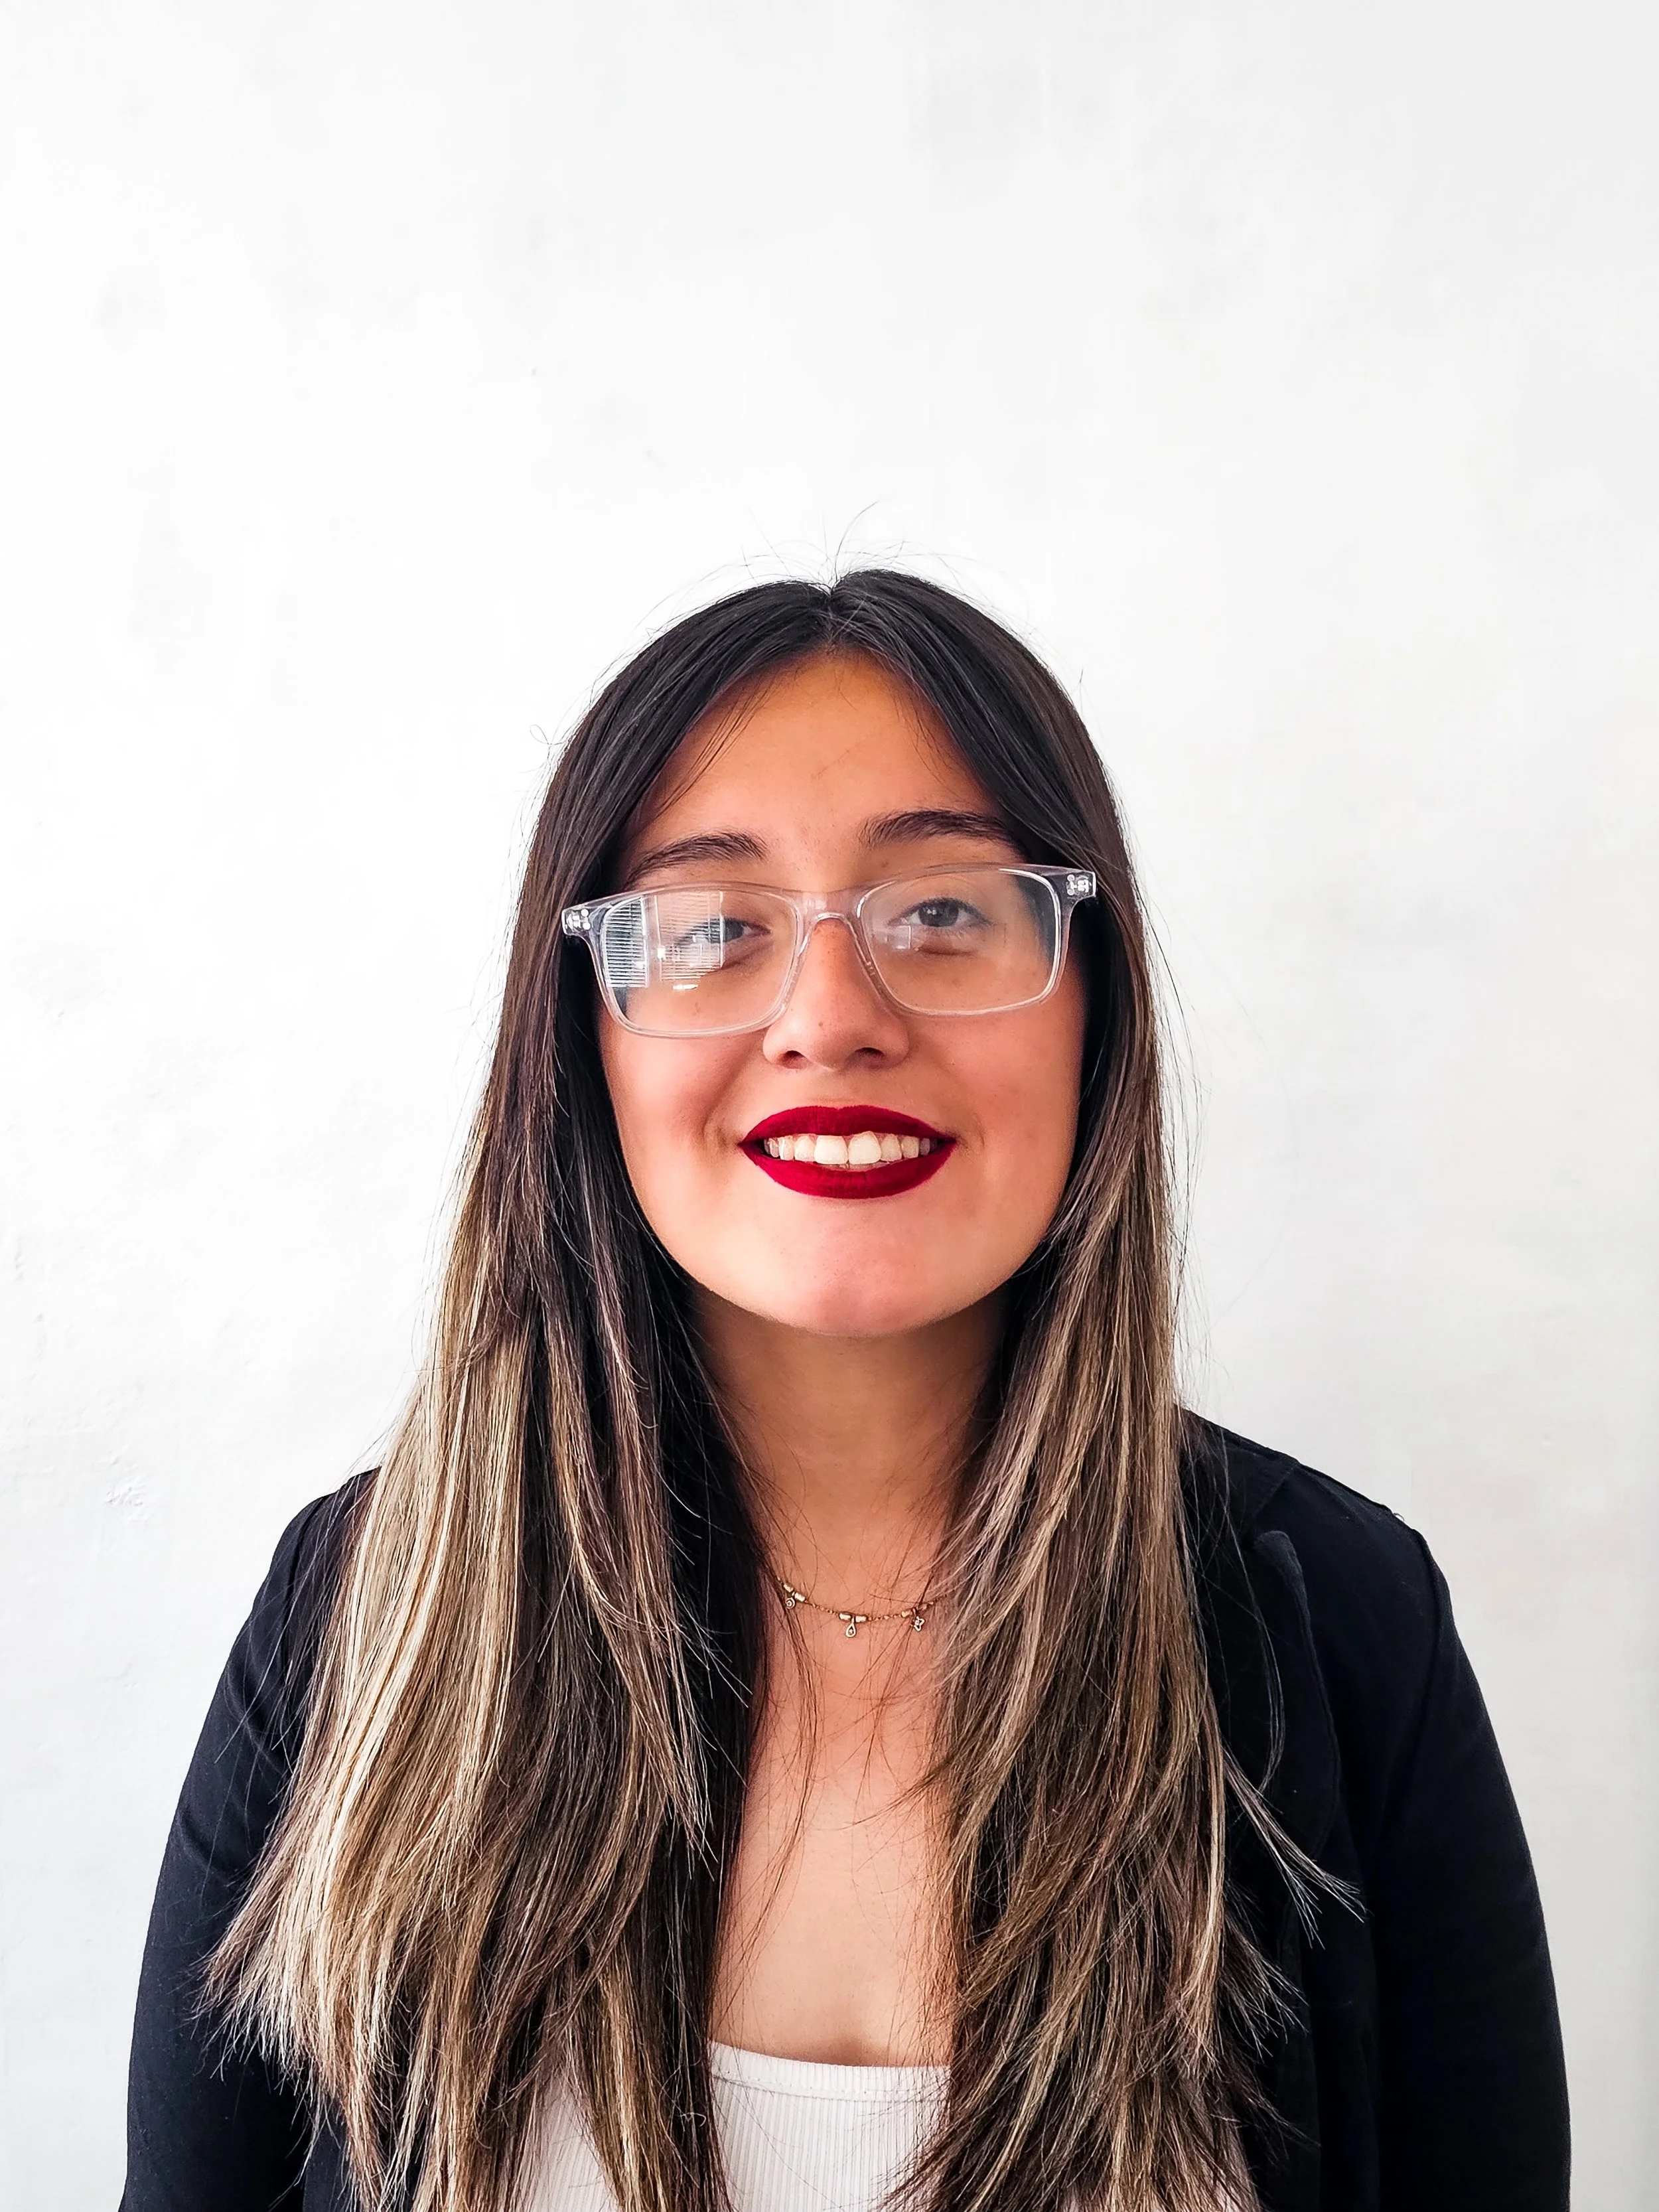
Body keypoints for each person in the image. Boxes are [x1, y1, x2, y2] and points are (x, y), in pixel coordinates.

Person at [121, 571, 1569, 2212]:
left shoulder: (1339, 1619)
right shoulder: (359, 1622)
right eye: (712, 929)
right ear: (584, 1037)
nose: (829, 1020)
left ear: (1091, 1002)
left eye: (941, 913)